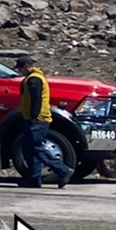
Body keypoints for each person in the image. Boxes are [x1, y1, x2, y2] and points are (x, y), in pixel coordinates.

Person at [16, 55, 70, 189]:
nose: (20, 71)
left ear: (27, 66)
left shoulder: (34, 79)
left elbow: (36, 100)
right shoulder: (35, 77)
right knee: (29, 149)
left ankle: (62, 170)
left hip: (37, 120)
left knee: (36, 148)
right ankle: (34, 179)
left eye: (21, 68)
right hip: (33, 118)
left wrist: (34, 117)